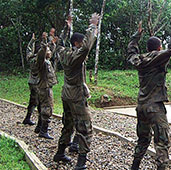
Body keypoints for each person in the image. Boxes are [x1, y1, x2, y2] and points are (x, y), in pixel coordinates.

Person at [127, 8, 171, 170]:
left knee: (143, 139)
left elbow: (131, 51)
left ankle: (135, 166)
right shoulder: (157, 58)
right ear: (159, 48)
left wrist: (136, 36)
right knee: (162, 142)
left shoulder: (139, 59)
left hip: (142, 106)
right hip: (155, 107)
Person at [53, 13, 99, 170]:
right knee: (85, 128)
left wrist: (67, 28)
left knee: (68, 124)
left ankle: (60, 152)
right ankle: (80, 164)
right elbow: (86, 47)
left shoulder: (63, 52)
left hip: (66, 93)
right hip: (76, 96)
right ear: (77, 43)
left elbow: (58, 43)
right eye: (81, 42)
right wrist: (93, 26)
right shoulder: (75, 56)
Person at [36, 36, 58, 139]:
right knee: (47, 108)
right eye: (47, 50)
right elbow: (42, 54)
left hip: (47, 87)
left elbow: (51, 51)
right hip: (44, 88)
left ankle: (40, 127)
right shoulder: (42, 62)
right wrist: (45, 44)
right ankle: (43, 131)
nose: (49, 51)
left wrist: (52, 44)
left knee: (44, 107)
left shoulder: (47, 61)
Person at [22, 33, 41, 126]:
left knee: (33, 101)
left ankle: (28, 118)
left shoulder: (31, 58)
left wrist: (32, 41)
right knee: (40, 103)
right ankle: (40, 125)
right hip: (37, 83)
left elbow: (28, 50)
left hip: (32, 82)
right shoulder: (39, 60)